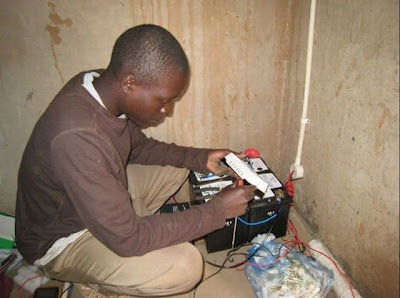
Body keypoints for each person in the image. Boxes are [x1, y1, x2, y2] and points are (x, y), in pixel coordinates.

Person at [15, 24, 256, 297]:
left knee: (178, 167)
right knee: (186, 266)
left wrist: (200, 157)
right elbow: (128, 238)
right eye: (164, 101)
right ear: (130, 84)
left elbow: (139, 148)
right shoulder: (77, 136)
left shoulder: (99, 85)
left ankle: (132, 226)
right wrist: (217, 210)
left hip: (91, 205)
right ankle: (92, 284)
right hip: (61, 238)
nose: (167, 111)